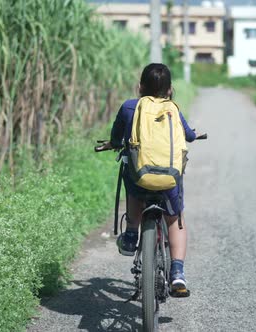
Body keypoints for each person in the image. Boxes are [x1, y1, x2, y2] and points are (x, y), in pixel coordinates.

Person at [101, 63, 197, 292]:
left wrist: (113, 144)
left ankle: (132, 234)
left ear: (140, 87)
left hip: (140, 176)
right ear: (170, 89)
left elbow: (116, 137)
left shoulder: (129, 107)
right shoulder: (172, 108)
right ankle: (178, 273)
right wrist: (194, 134)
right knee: (175, 219)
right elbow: (190, 136)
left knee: (134, 183)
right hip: (170, 178)